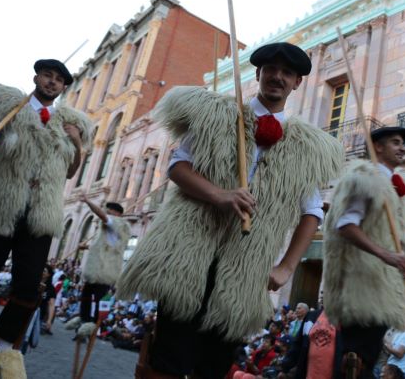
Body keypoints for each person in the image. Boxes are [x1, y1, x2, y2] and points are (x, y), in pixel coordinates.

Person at [116, 42, 343, 378]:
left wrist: (286, 267)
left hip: (244, 271)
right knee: (168, 359)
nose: (277, 77)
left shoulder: (308, 147)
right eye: (271, 69)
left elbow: (312, 212)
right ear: (258, 73)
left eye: (287, 72)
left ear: (297, 82)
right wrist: (219, 195)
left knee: (215, 365)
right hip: (189, 254)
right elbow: (178, 167)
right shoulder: (217, 115)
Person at [0, 59, 92, 378]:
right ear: (36, 77)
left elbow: (69, 172)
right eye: (47, 75)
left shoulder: (70, 122)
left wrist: (76, 142)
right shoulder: (7, 106)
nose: (52, 82)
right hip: (2, 205)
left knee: (29, 287)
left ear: (64, 87)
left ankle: (4, 354)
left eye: (58, 79)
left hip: (40, 213)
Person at [322, 126, 405, 378]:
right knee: (355, 361)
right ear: (378, 146)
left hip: (381, 286)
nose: (403, 148)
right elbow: (346, 225)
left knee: (366, 359)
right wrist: (386, 255)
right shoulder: (365, 179)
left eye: (403, 143)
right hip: (361, 287)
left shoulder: (399, 185)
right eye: (396, 142)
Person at [66, 195, 129, 339]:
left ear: (117, 213)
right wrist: (87, 246)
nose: (106, 213)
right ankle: (84, 320)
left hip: (104, 270)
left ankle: (94, 323)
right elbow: (105, 246)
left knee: (100, 299)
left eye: (109, 211)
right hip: (98, 268)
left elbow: (100, 214)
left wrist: (88, 201)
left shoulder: (116, 223)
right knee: (86, 295)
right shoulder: (108, 228)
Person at [384, 310, 405, 379]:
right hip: (391, 370)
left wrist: (387, 346)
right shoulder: (399, 332)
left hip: (400, 372)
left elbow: (400, 354)